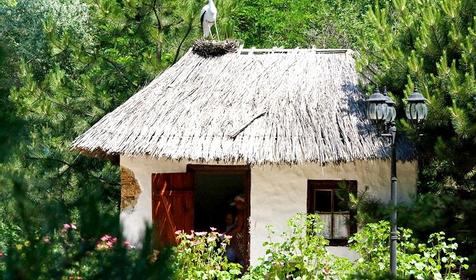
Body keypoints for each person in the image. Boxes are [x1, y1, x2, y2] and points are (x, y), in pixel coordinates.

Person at [225, 195, 247, 266]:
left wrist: (228, 235)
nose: (237, 205)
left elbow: (239, 228)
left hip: (239, 239)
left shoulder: (241, 214)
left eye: (238, 203)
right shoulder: (242, 213)